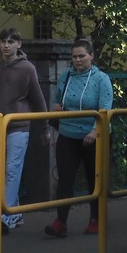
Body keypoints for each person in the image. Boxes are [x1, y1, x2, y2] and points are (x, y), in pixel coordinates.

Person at [0, 28, 48, 234]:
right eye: (3, 41)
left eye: (11, 41)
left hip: (18, 126)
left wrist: (44, 128)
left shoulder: (28, 68)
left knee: (12, 170)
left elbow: (38, 100)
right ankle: (13, 212)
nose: (6, 45)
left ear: (19, 44)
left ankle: (4, 217)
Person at [45, 38, 113, 238]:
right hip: (68, 134)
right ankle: (60, 222)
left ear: (91, 56)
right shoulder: (66, 76)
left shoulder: (101, 79)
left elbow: (105, 109)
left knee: (95, 179)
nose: (78, 60)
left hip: (93, 135)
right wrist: (57, 107)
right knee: (65, 178)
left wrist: (95, 131)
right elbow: (58, 99)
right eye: (74, 57)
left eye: (82, 56)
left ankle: (95, 220)